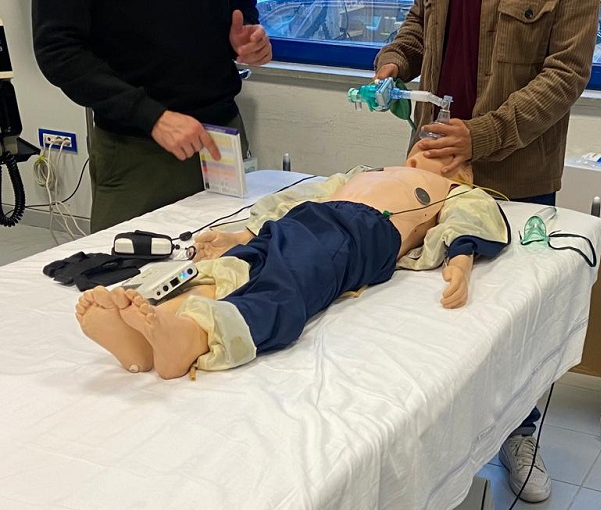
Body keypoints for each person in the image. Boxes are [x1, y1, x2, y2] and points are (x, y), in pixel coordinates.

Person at [373, 0, 600, 503]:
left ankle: (520, 432)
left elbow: (566, 73)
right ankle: (433, 437)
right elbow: (419, 25)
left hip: (516, 175)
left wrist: (485, 134)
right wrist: (395, 59)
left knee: (512, 318)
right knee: (429, 305)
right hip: (434, 163)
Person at [75, 146, 509, 382]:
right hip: (307, 218)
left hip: (362, 233)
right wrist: (243, 234)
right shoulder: (365, 170)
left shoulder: (454, 189)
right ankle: (151, 333)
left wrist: (460, 259)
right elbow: (302, 196)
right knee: (239, 263)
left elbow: (472, 219)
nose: (433, 145)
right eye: (427, 141)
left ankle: (195, 336)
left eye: (449, 152)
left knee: (291, 279)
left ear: (464, 173)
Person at [32, 0, 272, 232]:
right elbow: (57, 49)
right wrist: (150, 115)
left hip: (222, 137)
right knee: (131, 256)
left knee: (236, 250)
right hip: (140, 149)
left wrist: (246, 34)